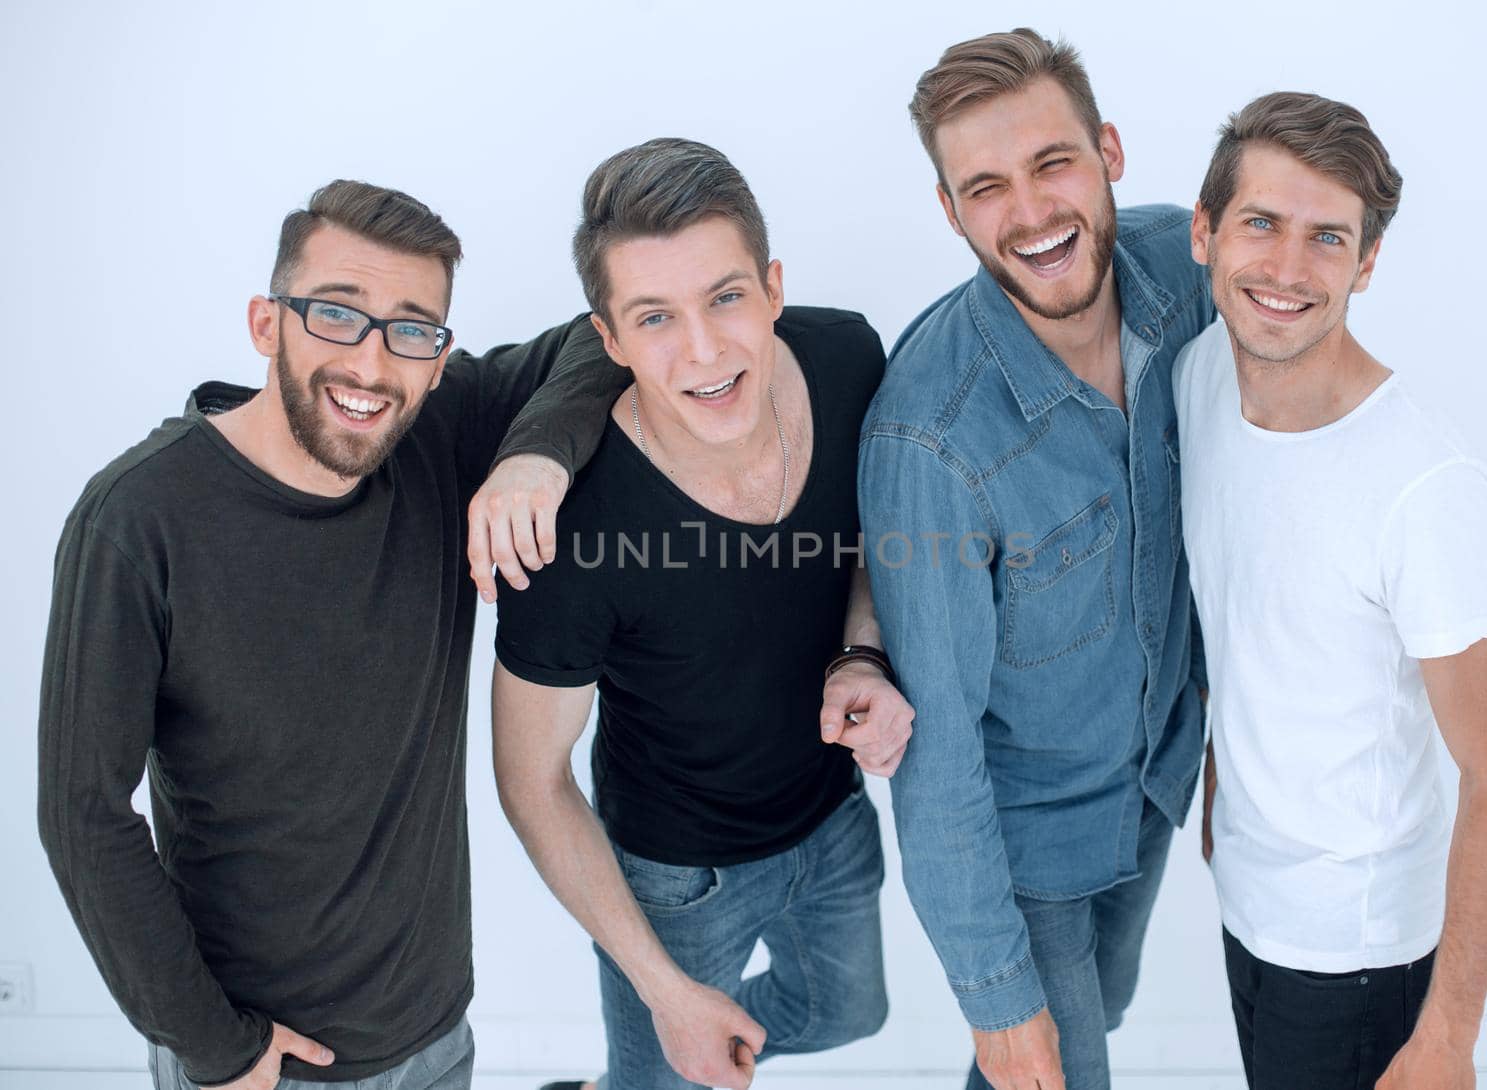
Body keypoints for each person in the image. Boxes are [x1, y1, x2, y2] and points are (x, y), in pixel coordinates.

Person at [38, 179, 621, 1090]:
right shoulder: (139, 517)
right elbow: (83, 810)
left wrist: (532, 456)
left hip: (436, 1035)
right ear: (267, 323)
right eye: (336, 316)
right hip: (256, 1057)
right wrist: (211, 1045)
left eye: (411, 329)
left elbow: (602, 338)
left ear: (438, 358)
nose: (372, 363)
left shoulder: (440, 436)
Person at [489, 138, 912, 1090]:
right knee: (667, 1082)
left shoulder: (848, 358)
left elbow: (880, 542)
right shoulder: (570, 530)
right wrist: (664, 991)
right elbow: (531, 782)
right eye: (655, 319)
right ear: (608, 341)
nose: (706, 350)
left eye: (725, 297)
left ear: (770, 286)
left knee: (850, 1012)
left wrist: (864, 653)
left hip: (832, 818)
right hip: (678, 882)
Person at [857, 28, 1214, 1090]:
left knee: (1092, 1019)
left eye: (1052, 162)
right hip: (1025, 851)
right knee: (1047, 1062)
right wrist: (995, 999)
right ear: (951, 210)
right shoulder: (931, 435)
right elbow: (939, 748)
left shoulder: (1183, 276)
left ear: (1108, 149)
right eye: (985, 185)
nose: (1030, 212)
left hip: (1151, 781)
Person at [1176, 91, 1487, 1090]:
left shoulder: (1423, 483)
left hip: (1358, 950)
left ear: (1365, 263)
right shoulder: (1200, 375)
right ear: (1204, 232)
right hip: (1245, 894)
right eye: (1260, 224)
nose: (1286, 270)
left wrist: (1449, 1035)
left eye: (1326, 238)